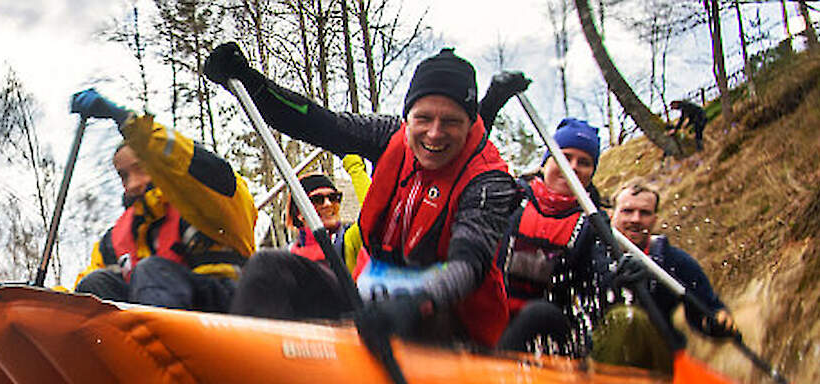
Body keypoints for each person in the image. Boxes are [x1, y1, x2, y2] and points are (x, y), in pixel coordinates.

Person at [204, 44, 520, 348]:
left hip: (446, 318)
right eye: (423, 118)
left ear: (470, 125)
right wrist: (249, 83)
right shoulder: (389, 134)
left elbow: (468, 265)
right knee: (270, 268)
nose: (434, 134)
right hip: (371, 300)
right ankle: (248, 371)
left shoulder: (489, 179)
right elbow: (317, 123)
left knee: (417, 319)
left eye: (451, 121)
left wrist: (412, 304)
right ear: (408, 117)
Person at [70, 89, 257, 312]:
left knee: (151, 270)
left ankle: (163, 344)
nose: (133, 184)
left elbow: (184, 161)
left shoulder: (209, 196)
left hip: (222, 312)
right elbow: (86, 281)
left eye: (141, 168)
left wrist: (128, 123)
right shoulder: (114, 240)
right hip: (151, 320)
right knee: (93, 284)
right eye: (124, 175)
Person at [590, 182, 738, 372]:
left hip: (655, 358)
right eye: (627, 211)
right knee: (621, 319)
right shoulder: (593, 253)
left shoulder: (674, 261)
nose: (636, 219)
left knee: (629, 319)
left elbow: (707, 310)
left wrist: (719, 322)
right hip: (599, 351)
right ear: (612, 215)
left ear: (655, 219)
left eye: (645, 213)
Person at [494, 117, 610, 357]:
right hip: (495, 310)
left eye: (584, 162)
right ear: (546, 162)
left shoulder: (594, 224)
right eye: (565, 158)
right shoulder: (511, 197)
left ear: (591, 173)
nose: (573, 167)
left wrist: (618, 276)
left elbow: (600, 280)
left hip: (550, 326)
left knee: (538, 313)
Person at [229, 163, 368, 320]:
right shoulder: (289, 254)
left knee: (265, 261)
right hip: (299, 318)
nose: (328, 204)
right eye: (318, 200)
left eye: (334, 198)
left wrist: (353, 163)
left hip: (346, 309)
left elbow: (373, 209)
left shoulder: (349, 239)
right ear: (300, 213)